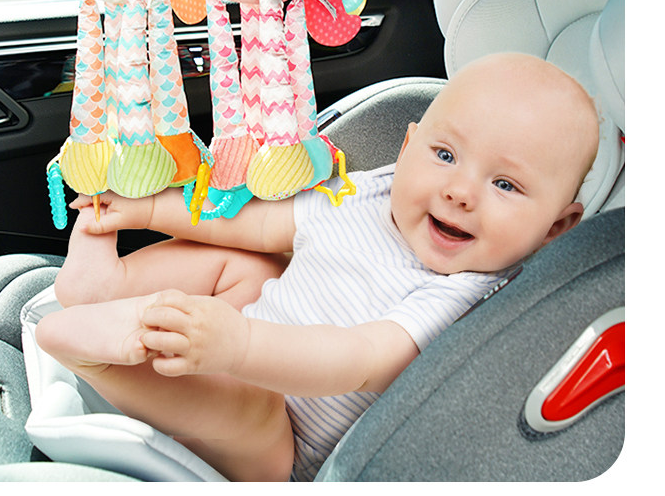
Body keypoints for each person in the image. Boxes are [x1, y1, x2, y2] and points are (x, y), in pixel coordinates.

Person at [36, 52, 600, 482]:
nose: (460, 192)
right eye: (445, 155)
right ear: (407, 148)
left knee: (253, 408)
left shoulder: (467, 294)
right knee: (251, 261)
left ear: (557, 228)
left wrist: (238, 346)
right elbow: (259, 224)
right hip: (238, 343)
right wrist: (146, 210)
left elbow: (358, 360)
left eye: (505, 185)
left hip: (279, 447)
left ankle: (93, 354)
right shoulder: (373, 193)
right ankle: (107, 287)